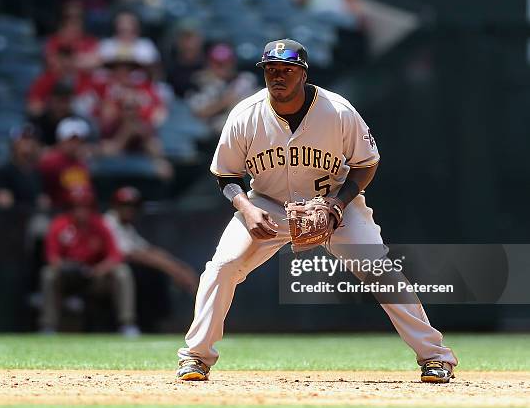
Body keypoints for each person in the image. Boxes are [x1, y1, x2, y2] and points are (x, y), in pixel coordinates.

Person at [176, 39, 458, 383]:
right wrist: (246, 208)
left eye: (286, 70)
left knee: (380, 269)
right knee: (223, 266)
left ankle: (435, 357)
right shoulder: (245, 115)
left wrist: (337, 206)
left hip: (332, 203)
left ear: (303, 74)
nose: (277, 76)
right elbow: (225, 174)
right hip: (267, 204)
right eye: (271, 70)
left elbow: (366, 164)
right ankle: (196, 357)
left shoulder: (337, 110)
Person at [40, 189, 139, 336]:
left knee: (122, 272)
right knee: (48, 274)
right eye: (76, 207)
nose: (81, 211)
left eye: (85, 207)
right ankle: (48, 326)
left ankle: (127, 324)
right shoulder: (59, 225)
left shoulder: (99, 225)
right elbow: (52, 257)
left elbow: (115, 256)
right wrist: (68, 269)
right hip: (68, 277)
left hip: (94, 277)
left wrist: (98, 270)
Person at [104, 186, 198, 293]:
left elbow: (148, 249)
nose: (130, 209)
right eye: (125, 205)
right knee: (129, 272)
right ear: (115, 205)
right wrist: (174, 271)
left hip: (124, 270)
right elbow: (132, 254)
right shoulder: (108, 222)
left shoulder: (126, 226)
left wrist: (181, 267)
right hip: (105, 270)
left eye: (134, 206)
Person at [186, 43, 257, 136]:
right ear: (210, 63)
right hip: (216, 133)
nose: (225, 67)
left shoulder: (246, 79)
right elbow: (200, 113)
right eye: (219, 64)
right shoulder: (200, 84)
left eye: (228, 62)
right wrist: (224, 102)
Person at [38, 117, 94, 209]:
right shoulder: (50, 163)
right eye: (71, 140)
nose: (74, 144)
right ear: (61, 140)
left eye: (78, 140)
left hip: (81, 211)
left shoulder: (83, 163)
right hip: (58, 211)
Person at [0, 124, 48, 209]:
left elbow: (41, 200)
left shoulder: (38, 173)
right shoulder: (4, 171)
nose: (28, 143)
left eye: (31, 139)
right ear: (14, 143)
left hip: (32, 217)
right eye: (24, 139)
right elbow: (3, 202)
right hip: (10, 217)